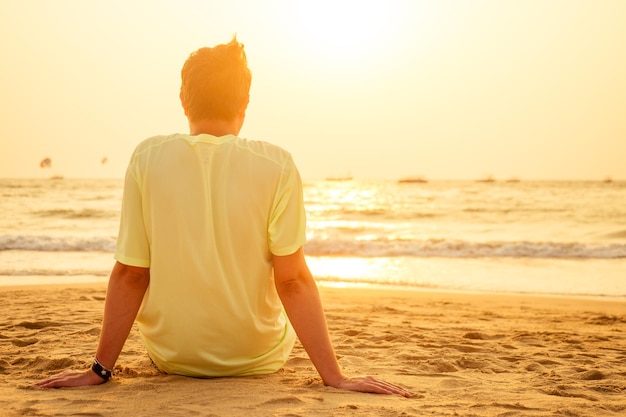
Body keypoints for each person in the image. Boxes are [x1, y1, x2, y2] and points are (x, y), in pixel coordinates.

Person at [35, 37, 410, 398]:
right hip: (257, 357)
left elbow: (132, 273)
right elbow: (292, 280)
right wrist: (335, 377)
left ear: (184, 100)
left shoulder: (147, 158)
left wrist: (99, 370)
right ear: (244, 102)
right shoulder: (276, 164)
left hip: (173, 356)